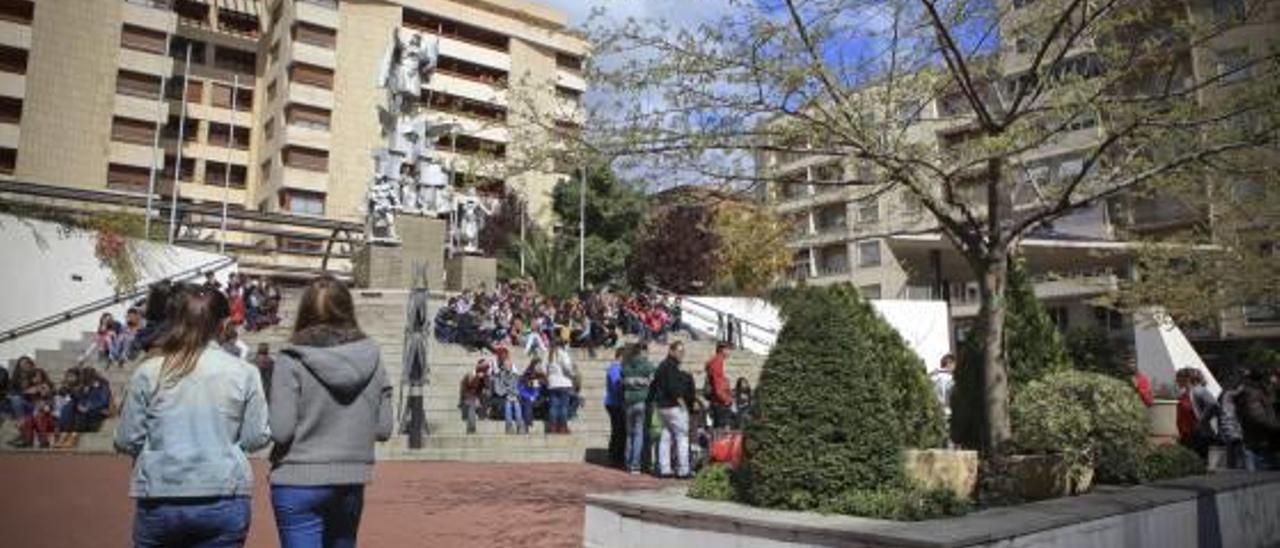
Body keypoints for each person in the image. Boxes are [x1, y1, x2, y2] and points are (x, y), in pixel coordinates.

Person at [114, 284, 270, 548]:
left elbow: (128, 439)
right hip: (223, 491)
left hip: (161, 493)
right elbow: (256, 436)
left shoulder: (148, 372)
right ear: (223, 325)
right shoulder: (244, 372)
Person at [268, 276, 392, 548]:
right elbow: (384, 428)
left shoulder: (291, 359)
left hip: (297, 477)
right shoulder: (372, 357)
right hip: (350, 478)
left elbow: (281, 429)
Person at [650, 341, 696, 478]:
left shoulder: (662, 366)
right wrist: (682, 402)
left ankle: (665, 468)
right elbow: (673, 387)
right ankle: (683, 470)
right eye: (679, 351)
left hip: (661, 406)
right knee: (682, 437)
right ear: (671, 351)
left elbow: (654, 384)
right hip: (672, 406)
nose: (682, 354)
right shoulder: (671, 366)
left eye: (683, 352)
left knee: (666, 436)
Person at [1236, 366, 1280, 471]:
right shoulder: (1252, 392)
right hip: (1260, 437)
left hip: (1262, 436)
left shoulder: (1257, 391)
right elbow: (1257, 416)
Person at [1175, 368, 1218, 459]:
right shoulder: (1184, 394)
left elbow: (1213, 404)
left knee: (1200, 461)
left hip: (1198, 436)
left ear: (1187, 379)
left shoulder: (1199, 391)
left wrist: (1201, 421)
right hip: (1186, 435)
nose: (1176, 381)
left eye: (1178, 378)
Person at [545, 343, 576, 434]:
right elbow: (567, 367)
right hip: (564, 382)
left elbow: (543, 368)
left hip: (552, 384)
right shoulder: (563, 353)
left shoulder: (547, 354)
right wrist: (573, 375)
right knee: (563, 407)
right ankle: (563, 427)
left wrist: (549, 376)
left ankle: (553, 427)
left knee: (553, 406)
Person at [704, 342, 734, 430]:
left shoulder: (716, 361)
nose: (729, 352)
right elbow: (718, 384)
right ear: (722, 350)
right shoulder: (717, 362)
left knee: (718, 428)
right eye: (728, 350)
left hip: (717, 400)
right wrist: (726, 399)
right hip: (720, 402)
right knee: (722, 430)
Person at [604, 348, 626, 465]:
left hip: (616, 402)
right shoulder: (615, 368)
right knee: (618, 430)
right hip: (614, 402)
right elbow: (617, 384)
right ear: (621, 356)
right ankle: (615, 457)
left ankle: (617, 456)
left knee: (619, 430)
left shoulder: (617, 368)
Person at [460, 360, 490, 435]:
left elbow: (487, 386)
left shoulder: (485, 376)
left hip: (478, 398)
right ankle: (471, 427)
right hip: (468, 397)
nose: (484, 372)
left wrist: (484, 378)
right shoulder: (469, 375)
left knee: (482, 397)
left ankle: (473, 426)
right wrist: (477, 377)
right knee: (472, 404)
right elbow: (464, 390)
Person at [517, 358, 543, 433]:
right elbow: (520, 388)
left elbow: (539, 389)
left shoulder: (542, 375)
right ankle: (526, 424)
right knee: (527, 402)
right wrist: (529, 396)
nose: (539, 367)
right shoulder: (527, 374)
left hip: (539, 397)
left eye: (540, 365)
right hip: (526, 396)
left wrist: (534, 396)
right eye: (538, 365)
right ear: (533, 365)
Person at [931, 354, 956, 428]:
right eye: (954, 364)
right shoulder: (950, 378)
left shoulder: (934, 377)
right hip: (948, 413)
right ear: (949, 364)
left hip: (937, 412)